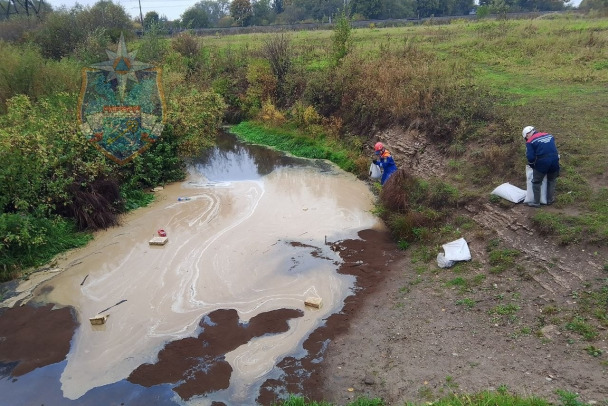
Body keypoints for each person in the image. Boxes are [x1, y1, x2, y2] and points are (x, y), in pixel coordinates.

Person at [522, 125, 560, 208]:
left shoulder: (530, 141)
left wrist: (532, 165)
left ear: (527, 134)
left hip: (543, 162)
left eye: (526, 138)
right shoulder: (549, 135)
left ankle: (536, 202)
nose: (526, 139)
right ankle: (550, 200)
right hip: (555, 160)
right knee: (552, 180)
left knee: (536, 182)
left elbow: (531, 157)